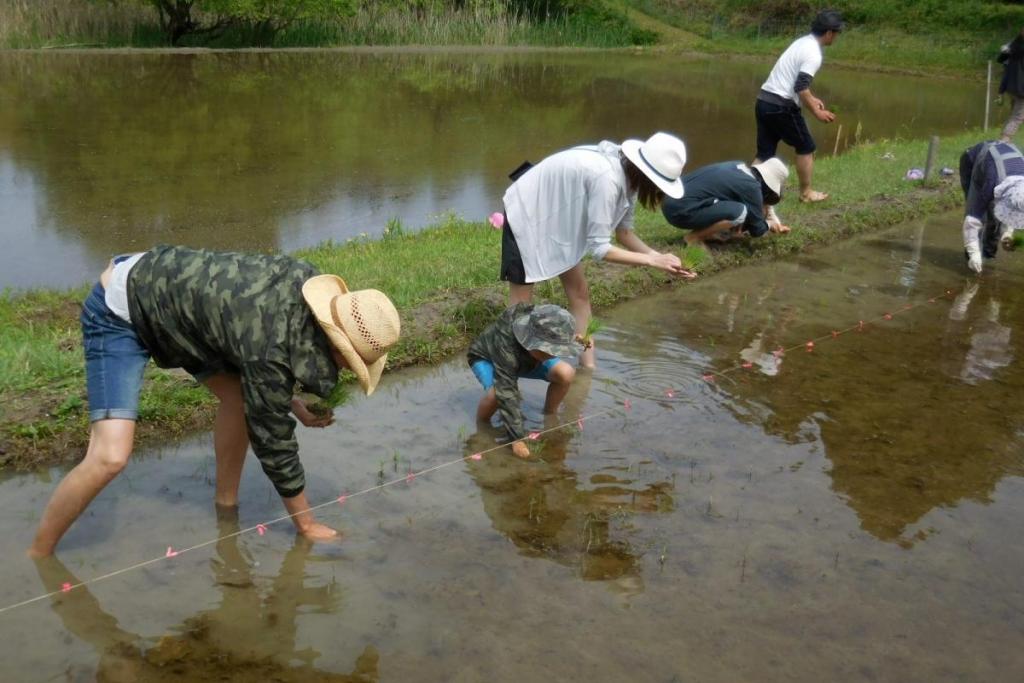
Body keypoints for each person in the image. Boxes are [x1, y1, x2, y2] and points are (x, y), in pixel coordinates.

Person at [28, 245, 401, 557]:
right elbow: (274, 442)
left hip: (184, 314)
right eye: (351, 362)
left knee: (239, 399)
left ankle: (226, 508)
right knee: (110, 456)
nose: (350, 369)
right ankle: (39, 557)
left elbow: (260, 362)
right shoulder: (271, 343)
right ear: (336, 344)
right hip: (123, 309)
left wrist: (292, 402)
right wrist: (307, 524)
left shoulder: (301, 291)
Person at [501, 132, 694, 368]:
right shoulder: (607, 179)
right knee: (522, 303)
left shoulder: (628, 179)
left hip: (561, 218)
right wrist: (652, 262)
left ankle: (588, 367)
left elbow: (624, 233)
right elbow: (600, 248)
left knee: (580, 293)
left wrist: (658, 257)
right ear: (647, 176)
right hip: (528, 209)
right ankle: (506, 365)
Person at [468, 302, 583, 458]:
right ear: (533, 342)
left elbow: (555, 330)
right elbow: (506, 391)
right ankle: (481, 429)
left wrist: (571, 340)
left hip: (528, 360)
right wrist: (517, 439)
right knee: (496, 394)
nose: (554, 354)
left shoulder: (538, 319)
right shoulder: (506, 345)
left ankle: (550, 415)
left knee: (566, 373)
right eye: (549, 350)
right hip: (488, 358)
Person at [753, 9, 843, 204]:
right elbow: (801, 87)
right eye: (836, 33)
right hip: (781, 106)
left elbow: (798, 83)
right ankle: (806, 193)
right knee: (806, 147)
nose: (836, 37)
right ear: (829, 33)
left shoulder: (801, 42)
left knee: (764, 154)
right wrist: (818, 112)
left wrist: (813, 98)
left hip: (763, 100)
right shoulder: (814, 54)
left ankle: (747, 194)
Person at [661, 157, 791, 246]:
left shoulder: (737, 166)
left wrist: (771, 218)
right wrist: (770, 225)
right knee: (740, 212)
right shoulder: (752, 187)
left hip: (670, 201)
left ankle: (707, 234)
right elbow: (757, 230)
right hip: (679, 212)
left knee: (736, 208)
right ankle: (693, 238)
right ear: (768, 186)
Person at [959, 140, 1024, 273]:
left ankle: (988, 256)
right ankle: (972, 259)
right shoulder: (990, 182)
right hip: (973, 162)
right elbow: (972, 219)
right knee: (979, 213)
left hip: (1000, 162)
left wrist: (1007, 233)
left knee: (995, 218)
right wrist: (974, 253)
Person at [998, 27, 1024, 142]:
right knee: (1017, 117)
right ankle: (1004, 141)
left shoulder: (1013, 45)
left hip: (1010, 87)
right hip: (1021, 89)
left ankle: (1004, 140)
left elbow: (1001, 59)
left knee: (1013, 114)